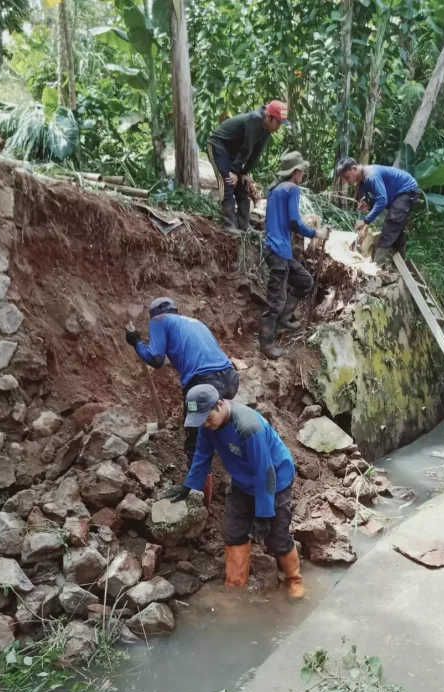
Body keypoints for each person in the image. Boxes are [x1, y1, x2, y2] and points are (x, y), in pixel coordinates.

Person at [170, 384, 304, 600]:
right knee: (234, 533)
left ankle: (294, 579)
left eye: (207, 417)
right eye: (199, 420)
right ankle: (235, 589)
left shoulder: (248, 426)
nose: (204, 424)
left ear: (220, 404)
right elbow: (202, 455)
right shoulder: (207, 426)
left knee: (276, 537)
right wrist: (188, 486)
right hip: (243, 481)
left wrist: (263, 515)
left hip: (275, 479)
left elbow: (264, 472)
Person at [125, 298, 239, 507]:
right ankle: (239, 474)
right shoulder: (194, 322)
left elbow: (156, 359)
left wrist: (136, 342)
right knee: (219, 425)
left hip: (205, 382)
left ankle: (201, 498)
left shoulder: (159, 320)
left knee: (196, 439)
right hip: (230, 378)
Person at [261, 151, 330, 360]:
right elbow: (294, 223)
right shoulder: (292, 189)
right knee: (275, 300)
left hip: (280, 251)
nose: (302, 175)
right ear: (296, 172)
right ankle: (266, 344)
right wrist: (317, 233)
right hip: (278, 250)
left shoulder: (276, 190)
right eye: (302, 171)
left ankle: (284, 318)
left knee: (304, 281)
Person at [207, 101, 291, 235]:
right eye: (278, 123)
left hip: (233, 153)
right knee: (228, 182)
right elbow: (247, 147)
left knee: (242, 186)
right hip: (218, 146)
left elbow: (256, 153)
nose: (279, 128)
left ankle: (244, 225)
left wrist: (245, 172)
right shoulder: (255, 119)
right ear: (269, 117)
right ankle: (228, 224)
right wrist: (234, 171)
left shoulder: (266, 129)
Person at [335, 158, 421, 265]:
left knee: (391, 225)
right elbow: (379, 196)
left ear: (354, 168)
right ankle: (400, 264)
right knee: (396, 229)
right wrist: (368, 204)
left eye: (347, 177)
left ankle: (376, 265)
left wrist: (365, 221)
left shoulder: (371, 176)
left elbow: (382, 200)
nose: (347, 181)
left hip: (407, 190)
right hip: (396, 194)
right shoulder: (363, 182)